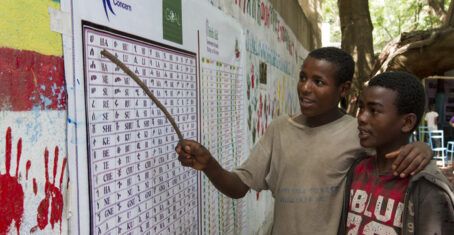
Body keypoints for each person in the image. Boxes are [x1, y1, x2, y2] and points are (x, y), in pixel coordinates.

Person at [175, 47, 432, 234]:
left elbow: (394, 153)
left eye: (318, 81)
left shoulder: (360, 133)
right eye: (302, 77)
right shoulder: (279, 130)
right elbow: (239, 186)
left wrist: (423, 148)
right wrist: (209, 165)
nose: (305, 88)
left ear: (342, 89)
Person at [339, 71, 454, 234]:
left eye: (374, 111)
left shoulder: (427, 188)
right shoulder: (356, 169)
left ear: (407, 122)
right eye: (361, 107)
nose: (361, 117)